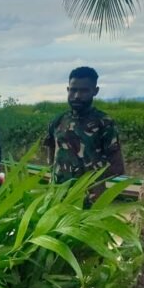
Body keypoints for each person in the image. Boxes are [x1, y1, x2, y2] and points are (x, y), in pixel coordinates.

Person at [44, 67, 124, 198]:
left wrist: (89, 181)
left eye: (84, 91)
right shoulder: (58, 121)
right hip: (57, 197)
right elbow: (51, 158)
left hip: (89, 200)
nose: (77, 96)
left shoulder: (104, 122)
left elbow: (117, 167)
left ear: (95, 91)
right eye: (73, 90)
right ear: (68, 90)